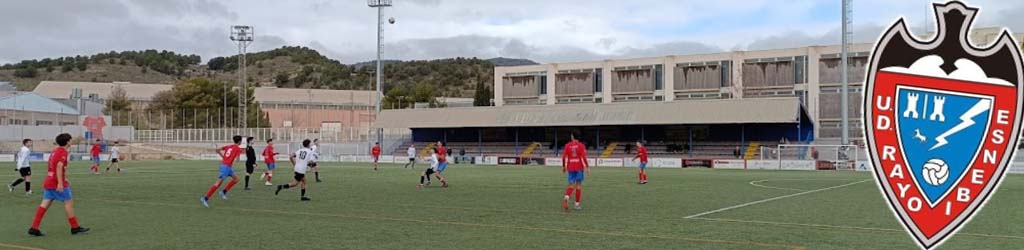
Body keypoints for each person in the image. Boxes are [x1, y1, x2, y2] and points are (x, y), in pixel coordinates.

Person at [28, 133, 90, 236]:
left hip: (49, 180)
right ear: (67, 142)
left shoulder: (55, 151)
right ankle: (75, 228)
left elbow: (51, 166)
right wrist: (60, 183)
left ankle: (34, 228)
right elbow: (59, 166)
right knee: (68, 203)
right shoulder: (63, 152)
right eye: (70, 140)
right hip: (56, 182)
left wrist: (64, 178)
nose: (71, 141)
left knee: (44, 205)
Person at [200, 135, 243, 208]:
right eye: (241, 141)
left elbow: (217, 150)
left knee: (236, 179)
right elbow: (238, 160)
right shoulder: (238, 149)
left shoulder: (229, 146)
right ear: (239, 141)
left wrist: (224, 157)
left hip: (227, 167)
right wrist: (237, 157)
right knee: (217, 184)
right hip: (225, 168)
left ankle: (223, 192)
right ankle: (205, 198)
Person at [561, 134, 590, 211]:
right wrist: (587, 167)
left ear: (572, 137)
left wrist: (564, 166)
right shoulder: (581, 145)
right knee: (578, 186)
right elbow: (583, 157)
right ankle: (577, 205)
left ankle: (566, 197)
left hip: (570, 167)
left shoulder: (567, 145)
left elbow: (563, 157)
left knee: (571, 185)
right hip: (579, 167)